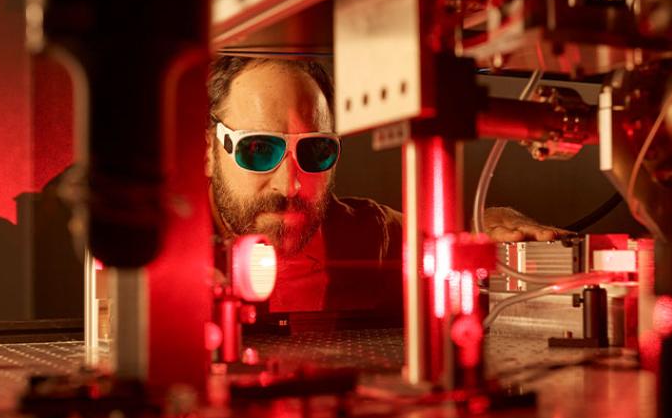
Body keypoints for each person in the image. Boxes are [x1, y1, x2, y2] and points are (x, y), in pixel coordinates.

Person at [206, 56, 567, 316]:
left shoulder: (363, 238)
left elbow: (446, 235)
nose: (290, 184)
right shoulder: (164, 256)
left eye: (315, 151)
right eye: (258, 150)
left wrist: (488, 222)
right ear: (206, 151)